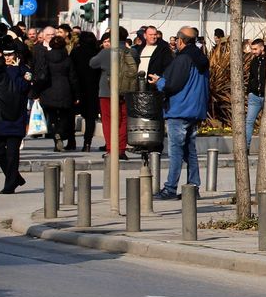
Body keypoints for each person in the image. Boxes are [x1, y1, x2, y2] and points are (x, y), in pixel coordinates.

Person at [151, 27, 208, 199]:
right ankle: (193, 186)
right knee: (189, 150)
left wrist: (159, 82)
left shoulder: (184, 58)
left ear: (181, 40)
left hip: (180, 109)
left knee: (176, 150)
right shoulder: (201, 58)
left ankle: (170, 188)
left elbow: (173, 84)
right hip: (195, 110)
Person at [89, 28, 137, 160]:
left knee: (108, 120)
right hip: (127, 90)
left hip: (107, 91)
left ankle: (111, 149)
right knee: (123, 119)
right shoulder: (132, 52)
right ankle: (121, 149)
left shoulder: (106, 52)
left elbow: (92, 63)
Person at [0, 40, 28, 194]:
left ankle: (10, 183)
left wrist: (15, 70)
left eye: (10, 54)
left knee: (12, 154)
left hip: (16, 117)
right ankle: (15, 177)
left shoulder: (24, 70)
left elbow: (21, 88)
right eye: (4, 55)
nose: (7, 58)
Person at [39, 34, 79, 152]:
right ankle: (61, 133)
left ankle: (57, 138)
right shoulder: (67, 59)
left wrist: (37, 91)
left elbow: (42, 75)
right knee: (65, 117)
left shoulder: (46, 57)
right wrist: (76, 94)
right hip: (65, 90)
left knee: (52, 118)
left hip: (48, 90)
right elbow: (73, 78)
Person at [70, 30, 101, 151]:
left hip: (77, 88)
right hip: (93, 88)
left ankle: (71, 141)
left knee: (71, 116)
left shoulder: (76, 52)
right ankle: (87, 143)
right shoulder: (97, 53)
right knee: (90, 118)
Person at [243, 38, 266, 150]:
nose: (253, 51)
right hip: (255, 95)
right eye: (252, 49)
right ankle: (246, 146)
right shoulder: (254, 61)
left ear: (262, 48)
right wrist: (250, 92)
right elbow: (251, 77)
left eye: (255, 49)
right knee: (249, 121)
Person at [135, 25, 173, 105]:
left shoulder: (163, 50)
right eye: (151, 35)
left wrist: (160, 79)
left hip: (154, 86)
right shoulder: (139, 49)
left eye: (155, 35)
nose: (153, 37)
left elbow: (168, 67)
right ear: (145, 36)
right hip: (139, 85)